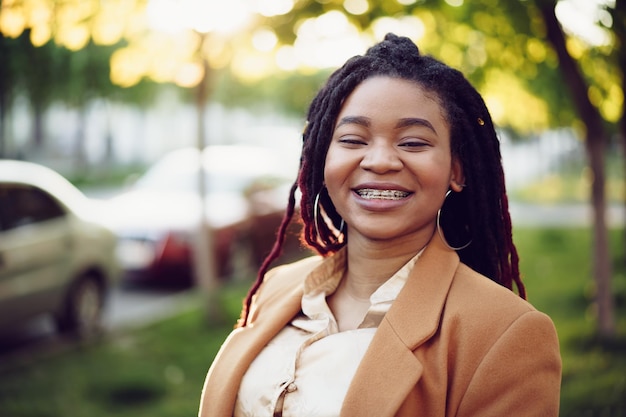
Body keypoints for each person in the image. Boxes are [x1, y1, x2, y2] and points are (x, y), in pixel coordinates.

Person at [198, 33, 562, 417]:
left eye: (413, 143)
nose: (380, 161)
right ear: (323, 159)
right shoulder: (277, 289)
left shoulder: (506, 333)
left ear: (457, 170)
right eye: (354, 139)